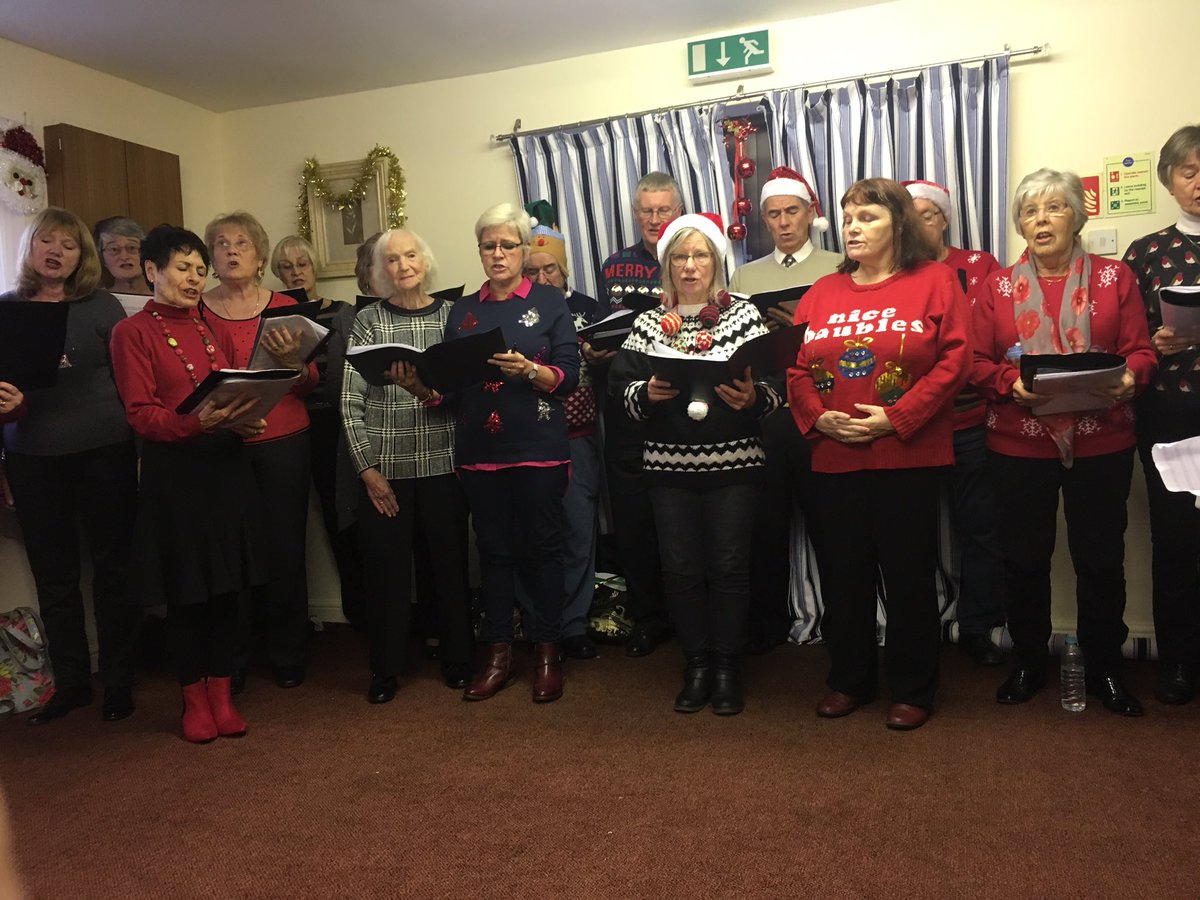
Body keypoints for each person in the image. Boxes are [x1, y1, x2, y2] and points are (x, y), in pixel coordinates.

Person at [788, 178, 971, 731]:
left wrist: (899, 417)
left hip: (906, 455)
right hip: (835, 456)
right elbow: (795, 367)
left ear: (899, 224)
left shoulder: (935, 280)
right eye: (847, 218)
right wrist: (817, 417)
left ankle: (913, 688)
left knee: (908, 575)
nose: (853, 227)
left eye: (867, 217)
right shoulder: (822, 291)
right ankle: (849, 680)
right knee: (844, 575)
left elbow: (955, 361)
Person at [972, 168, 1156, 716]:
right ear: (1019, 224)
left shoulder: (1115, 277)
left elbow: (1141, 350)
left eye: (1055, 207)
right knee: (1023, 559)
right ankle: (1028, 661)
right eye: (1030, 211)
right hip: (1018, 443)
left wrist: (1133, 376)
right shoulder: (996, 287)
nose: (1042, 219)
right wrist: (1008, 383)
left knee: (1099, 559)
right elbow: (975, 362)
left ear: (1078, 216)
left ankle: (1105, 668)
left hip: (1103, 441)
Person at [609, 213, 783, 715]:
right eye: (680, 257)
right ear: (667, 265)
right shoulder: (647, 323)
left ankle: (726, 668)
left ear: (716, 262)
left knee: (729, 566)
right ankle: (697, 665)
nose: (689, 266)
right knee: (681, 569)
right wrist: (645, 393)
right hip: (667, 466)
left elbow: (774, 388)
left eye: (700, 255)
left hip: (735, 464)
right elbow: (620, 394)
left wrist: (754, 397)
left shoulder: (743, 315)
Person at [109, 224, 270, 742]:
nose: (194, 278)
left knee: (226, 590)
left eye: (201, 270)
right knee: (187, 593)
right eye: (183, 268)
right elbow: (141, 414)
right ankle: (194, 701)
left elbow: (230, 393)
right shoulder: (132, 332)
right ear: (152, 271)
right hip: (176, 475)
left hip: (224, 468)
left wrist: (244, 419)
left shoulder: (208, 326)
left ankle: (222, 696)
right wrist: (196, 424)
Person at [0, 207, 140, 725]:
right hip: (32, 461)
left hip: (106, 453)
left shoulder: (102, 305)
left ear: (82, 256)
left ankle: (120, 681)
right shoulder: (5, 309)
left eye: (68, 244)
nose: (55, 251)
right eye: (46, 241)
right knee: (54, 577)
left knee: (114, 571)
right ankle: (73, 684)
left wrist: (140, 454)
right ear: (30, 247)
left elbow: (131, 383)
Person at [436, 202, 579, 702]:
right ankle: (498, 656)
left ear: (523, 249)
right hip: (480, 450)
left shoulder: (550, 301)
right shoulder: (461, 310)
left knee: (543, 551)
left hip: (538, 447)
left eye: (507, 245)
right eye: (488, 245)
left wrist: (531, 372)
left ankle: (547, 653)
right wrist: (420, 386)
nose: (497, 254)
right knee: (493, 553)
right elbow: (451, 390)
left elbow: (569, 376)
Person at [341, 228, 474, 703]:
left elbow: (465, 390)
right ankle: (386, 668)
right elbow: (349, 403)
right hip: (388, 471)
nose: (403, 266)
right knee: (386, 574)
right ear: (381, 270)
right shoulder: (368, 321)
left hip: (444, 464)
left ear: (425, 260)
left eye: (410, 255)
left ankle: (459, 658)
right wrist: (367, 470)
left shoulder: (453, 316)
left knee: (450, 568)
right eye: (392, 260)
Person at [201, 211, 317, 691]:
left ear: (259, 256)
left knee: (286, 547)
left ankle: (288, 651)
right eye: (222, 243)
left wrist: (294, 364)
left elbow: (309, 383)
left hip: (284, 439)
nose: (232, 250)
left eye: (242, 243)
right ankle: (233, 658)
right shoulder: (195, 310)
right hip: (222, 442)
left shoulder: (286, 306)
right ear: (211, 257)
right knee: (230, 552)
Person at [729, 166, 841, 654]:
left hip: (823, 414)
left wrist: (803, 325)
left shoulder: (838, 267)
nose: (783, 222)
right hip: (766, 414)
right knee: (765, 526)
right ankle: (767, 624)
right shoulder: (746, 276)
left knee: (831, 527)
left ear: (810, 213)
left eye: (791, 211)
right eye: (773, 214)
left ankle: (843, 620)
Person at [904, 179, 1007, 666]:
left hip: (971, 423)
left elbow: (1001, 333)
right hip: (915, 427)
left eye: (927, 215)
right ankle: (915, 630)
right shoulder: (896, 275)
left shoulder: (980, 266)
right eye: (909, 217)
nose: (918, 225)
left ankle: (978, 627)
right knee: (911, 535)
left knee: (981, 529)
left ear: (944, 219)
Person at [1122, 124, 1200, 705]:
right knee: (1176, 541)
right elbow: (1125, 339)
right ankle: (1179, 662)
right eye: (1189, 171)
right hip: (1171, 413)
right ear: (1169, 181)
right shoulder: (1146, 252)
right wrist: (1154, 341)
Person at [595, 172, 683, 657]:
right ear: (635, 213)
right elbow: (606, 327)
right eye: (646, 210)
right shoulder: (614, 266)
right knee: (633, 521)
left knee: (681, 519)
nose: (654, 219)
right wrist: (598, 348)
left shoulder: (692, 258)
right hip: (625, 406)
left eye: (663, 210)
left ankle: (689, 613)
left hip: (676, 405)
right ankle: (648, 618)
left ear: (677, 211)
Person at [269, 234, 364, 628]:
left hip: (332, 424)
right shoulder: (270, 314)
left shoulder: (341, 312)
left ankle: (360, 610)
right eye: (286, 267)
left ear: (314, 268)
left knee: (340, 516)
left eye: (302, 264)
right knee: (284, 524)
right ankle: (291, 620)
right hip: (287, 423)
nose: (295, 273)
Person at [521, 200, 602, 661]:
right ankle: (538, 623)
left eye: (549, 268)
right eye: (532, 271)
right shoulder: (514, 312)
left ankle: (573, 623)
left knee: (578, 533)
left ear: (564, 269)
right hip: (530, 440)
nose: (542, 278)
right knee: (532, 536)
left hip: (579, 438)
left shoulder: (589, 310)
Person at [93, 217, 150, 295]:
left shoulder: (164, 297)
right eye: (114, 249)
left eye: (132, 248)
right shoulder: (100, 300)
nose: (124, 257)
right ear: (101, 258)